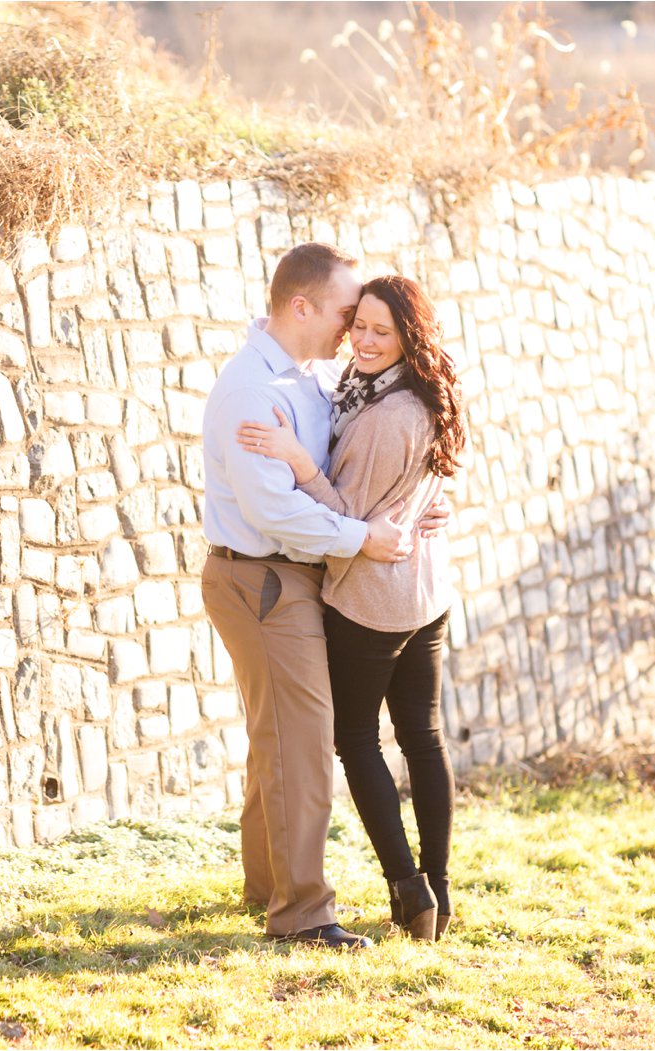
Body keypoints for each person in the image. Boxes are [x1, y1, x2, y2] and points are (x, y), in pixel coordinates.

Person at [199, 243, 447, 950]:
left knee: (277, 739)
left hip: (287, 575)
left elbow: (381, 450)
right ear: (301, 306)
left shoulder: (308, 378)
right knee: (304, 746)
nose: (352, 329)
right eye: (345, 312)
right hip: (263, 575)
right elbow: (275, 512)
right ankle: (303, 915)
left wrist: (428, 501)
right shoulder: (255, 391)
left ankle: (266, 884)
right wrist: (360, 538)